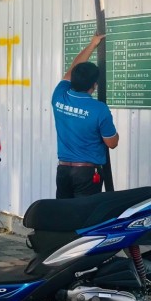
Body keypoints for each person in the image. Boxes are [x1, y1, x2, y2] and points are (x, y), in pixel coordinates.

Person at [52, 33, 119, 198]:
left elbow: (73, 68)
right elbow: (112, 143)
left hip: (63, 171)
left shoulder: (59, 96)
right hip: (87, 174)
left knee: (63, 211)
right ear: (94, 85)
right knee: (85, 213)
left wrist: (92, 44)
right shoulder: (99, 109)